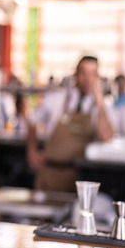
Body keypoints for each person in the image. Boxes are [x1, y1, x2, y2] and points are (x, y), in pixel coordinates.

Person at [26, 56, 115, 192]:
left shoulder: (101, 108)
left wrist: (99, 100)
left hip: (80, 179)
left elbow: (107, 137)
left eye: (92, 74)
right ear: (75, 74)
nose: (88, 79)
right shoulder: (57, 98)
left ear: (98, 77)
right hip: (49, 174)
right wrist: (31, 151)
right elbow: (33, 120)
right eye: (83, 73)